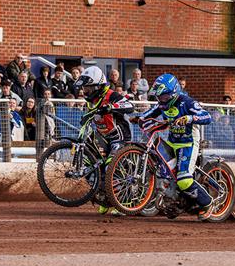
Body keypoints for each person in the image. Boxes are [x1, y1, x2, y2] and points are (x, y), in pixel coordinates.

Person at [132, 73, 214, 219]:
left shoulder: (187, 102)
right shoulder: (162, 104)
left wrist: (189, 118)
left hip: (188, 142)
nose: (161, 100)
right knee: (162, 168)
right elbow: (150, 112)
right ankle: (172, 198)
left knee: (184, 179)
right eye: (158, 97)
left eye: (163, 97)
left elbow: (207, 116)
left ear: (174, 93)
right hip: (172, 141)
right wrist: (139, 118)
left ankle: (207, 203)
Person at [73, 66, 135, 214]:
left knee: (110, 167)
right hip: (102, 136)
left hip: (119, 136)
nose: (85, 92)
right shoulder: (90, 101)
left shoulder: (111, 94)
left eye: (88, 88)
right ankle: (105, 198)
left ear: (98, 86)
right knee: (90, 166)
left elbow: (129, 107)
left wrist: (111, 107)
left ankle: (123, 202)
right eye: (84, 89)